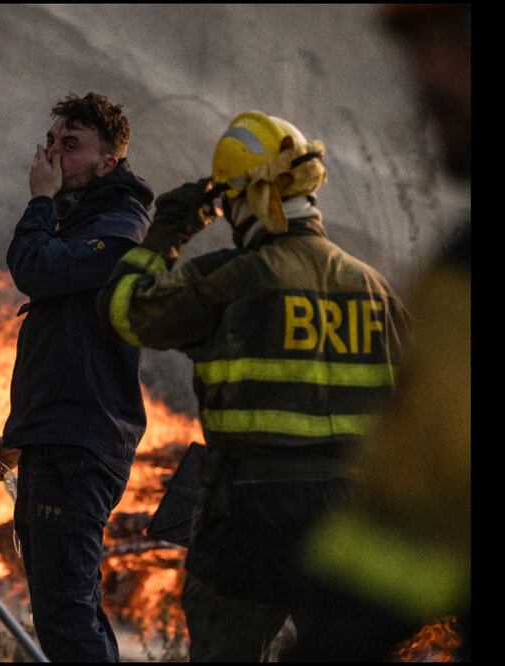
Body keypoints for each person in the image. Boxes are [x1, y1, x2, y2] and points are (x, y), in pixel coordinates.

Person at [97, 111, 410, 661]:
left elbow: (124, 313)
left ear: (249, 199)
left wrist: (168, 230)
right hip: (350, 519)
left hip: (247, 516)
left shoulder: (234, 276)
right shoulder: (375, 289)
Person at [292, 4, 471, 660]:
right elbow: (413, 513)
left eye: (451, 45)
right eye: (418, 53)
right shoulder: (450, 274)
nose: (428, 80)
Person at [0, 91, 153, 662]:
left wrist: (40, 203)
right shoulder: (84, 224)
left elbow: (35, 270)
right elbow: (69, 353)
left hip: (80, 448)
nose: (53, 158)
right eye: (51, 143)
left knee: (67, 615)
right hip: (59, 440)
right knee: (64, 609)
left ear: (110, 162)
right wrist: (22, 435)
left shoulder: (119, 228)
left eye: (71, 146)